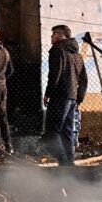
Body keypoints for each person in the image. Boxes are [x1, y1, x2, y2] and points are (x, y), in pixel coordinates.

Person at [41, 25, 88, 165]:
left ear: (61, 35)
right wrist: (79, 98)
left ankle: (63, 162)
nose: (51, 36)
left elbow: (55, 74)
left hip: (59, 96)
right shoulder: (77, 55)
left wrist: (47, 93)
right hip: (72, 97)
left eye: (54, 34)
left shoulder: (57, 50)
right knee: (67, 131)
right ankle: (69, 163)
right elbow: (83, 79)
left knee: (52, 131)